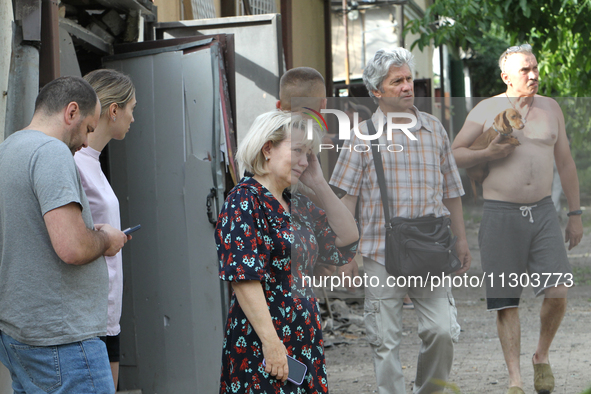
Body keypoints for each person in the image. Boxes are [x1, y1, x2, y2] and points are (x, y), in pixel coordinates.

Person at [329, 48, 471, 394]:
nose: (407, 87)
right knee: (385, 339)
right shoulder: (362, 135)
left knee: (441, 330)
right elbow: (346, 198)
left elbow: (452, 191)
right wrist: (346, 254)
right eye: (397, 81)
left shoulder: (433, 130)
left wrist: (462, 240)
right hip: (380, 252)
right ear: (377, 91)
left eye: (408, 79)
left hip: (431, 249)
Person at [451, 44, 583, 394]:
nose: (534, 75)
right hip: (499, 215)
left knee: (558, 291)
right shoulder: (486, 109)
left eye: (536, 67)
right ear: (506, 76)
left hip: (542, 213)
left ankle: (541, 355)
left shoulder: (551, 109)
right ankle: (515, 380)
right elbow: (453, 155)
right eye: (525, 70)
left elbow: (566, 163)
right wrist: (488, 151)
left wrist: (575, 214)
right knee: (506, 299)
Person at [0, 76, 129, 393]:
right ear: (71, 111)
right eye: (87, 128)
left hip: (19, 335)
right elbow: (71, 246)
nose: (86, 142)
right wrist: (106, 239)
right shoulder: (52, 152)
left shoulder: (7, 149)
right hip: (63, 339)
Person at [215, 110, 358, 393]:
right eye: (297, 151)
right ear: (267, 148)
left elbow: (347, 237)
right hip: (263, 343)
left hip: (303, 338)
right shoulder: (243, 201)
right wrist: (272, 344)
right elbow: (244, 278)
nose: (305, 162)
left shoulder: (297, 205)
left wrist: (318, 181)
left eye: (309, 154)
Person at [74, 69, 136, 389]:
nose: (133, 118)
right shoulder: (76, 163)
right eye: (132, 109)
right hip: (91, 317)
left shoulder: (93, 161)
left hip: (109, 312)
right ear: (114, 111)